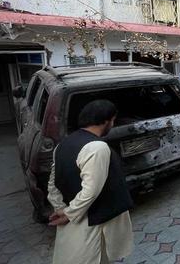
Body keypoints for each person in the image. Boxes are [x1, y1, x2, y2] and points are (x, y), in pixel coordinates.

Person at [47, 100, 134, 264]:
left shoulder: (63, 144)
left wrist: (61, 207)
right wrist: (68, 213)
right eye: (113, 120)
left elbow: (53, 182)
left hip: (77, 216)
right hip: (96, 221)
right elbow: (91, 190)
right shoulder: (97, 147)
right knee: (98, 256)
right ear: (107, 120)